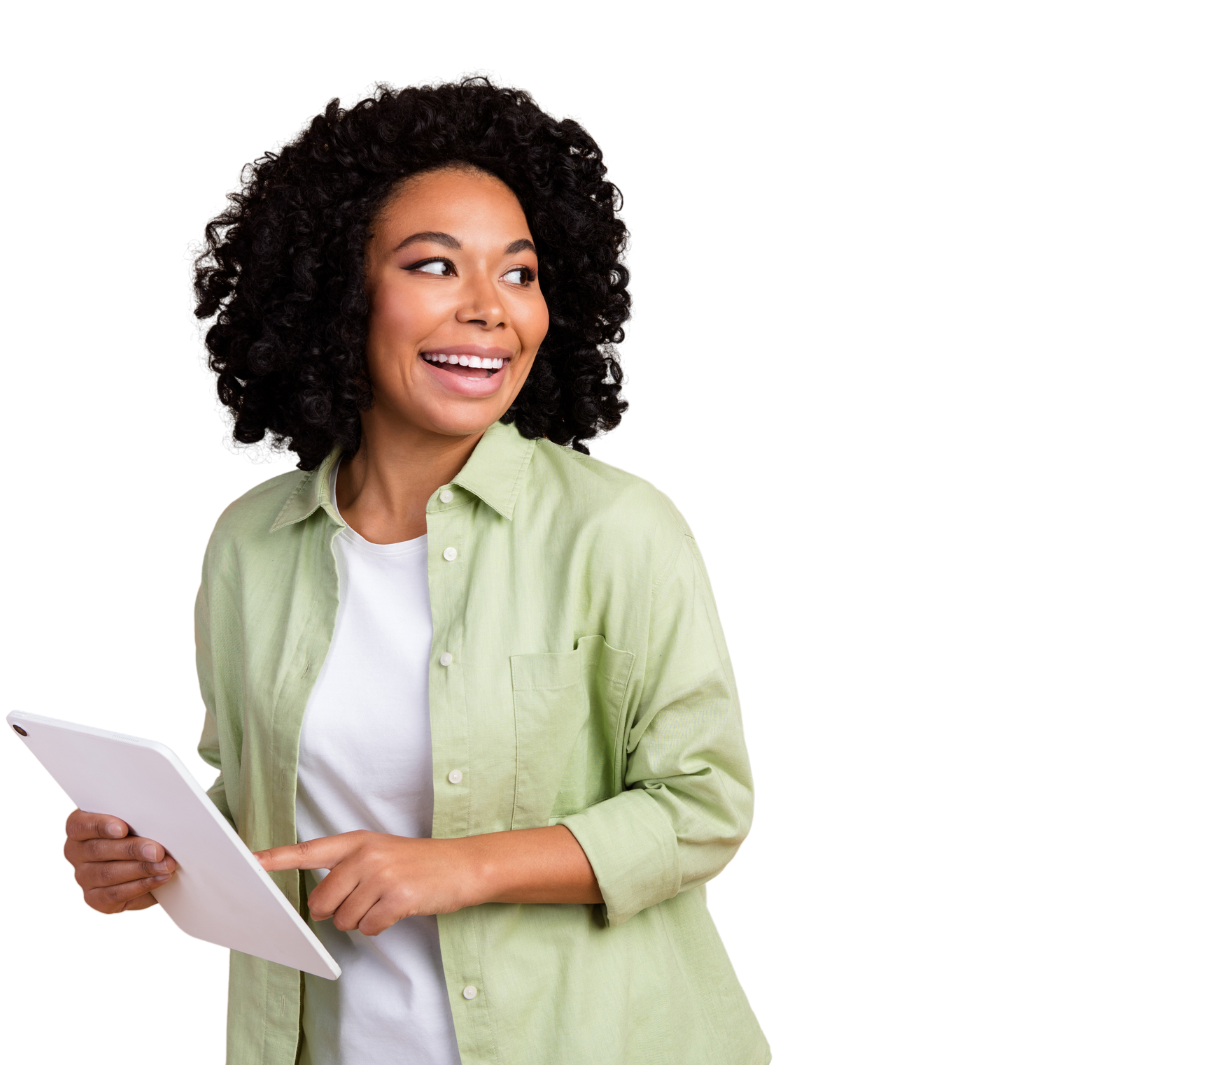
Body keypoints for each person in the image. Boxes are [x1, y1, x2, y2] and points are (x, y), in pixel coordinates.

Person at [60, 74, 770, 1065]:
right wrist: (143, 862)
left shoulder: (619, 530)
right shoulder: (248, 544)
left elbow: (702, 813)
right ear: (337, 290)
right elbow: (252, 805)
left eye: (520, 274)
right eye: (436, 266)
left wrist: (460, 869)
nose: (491, 310)